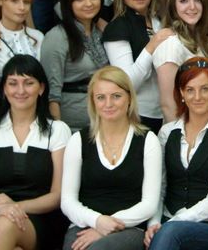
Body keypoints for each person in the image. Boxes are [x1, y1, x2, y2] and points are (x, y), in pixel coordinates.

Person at [0, 55, 71, 250]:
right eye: (13, 83)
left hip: (41, 218)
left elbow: (57, 195)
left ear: (41, 88)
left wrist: (14, 208)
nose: (20, 91)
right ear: (4, 89)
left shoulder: (57, 130)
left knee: (6, 224)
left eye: (28, 83)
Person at [144, 57, 208, 250]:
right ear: (181, 93)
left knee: (172, 233)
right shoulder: (166, 133)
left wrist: (172, 223)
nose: (197, 97)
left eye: (204, 89)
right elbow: (160, 187)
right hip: (168, 223)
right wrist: (154, 223)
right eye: (190, 90)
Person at [60, 66, 162, 250]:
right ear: (93, 102)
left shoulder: (148, 140)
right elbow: (67, 201)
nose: (108, 104)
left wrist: (107, 227)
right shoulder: (78, 140)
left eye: (116, 96)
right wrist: (97, 221)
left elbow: (149, 204)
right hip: (84, 226)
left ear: (129, 98)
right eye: (101, 97)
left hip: (130, 228)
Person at [103, 0, 174, 133]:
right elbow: (127, 82)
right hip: (138, 115)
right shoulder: (117, 28)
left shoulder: (160, 22)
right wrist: (152, 44)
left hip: (168, 114)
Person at [42, 0, 109, 132]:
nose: (88, 3)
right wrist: (58, 134)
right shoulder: (57, 37)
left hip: (104, 124)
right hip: (72, 128)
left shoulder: (101, 33)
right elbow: (52, 95)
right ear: (69, 2)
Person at [153, 0, 208, 122]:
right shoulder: (171, 45)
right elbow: (168, 105)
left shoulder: (201, 40)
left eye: (197, 0)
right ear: (173, 6)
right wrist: (183, 135)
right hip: (183, 130)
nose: (192, 7)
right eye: (184, 1)